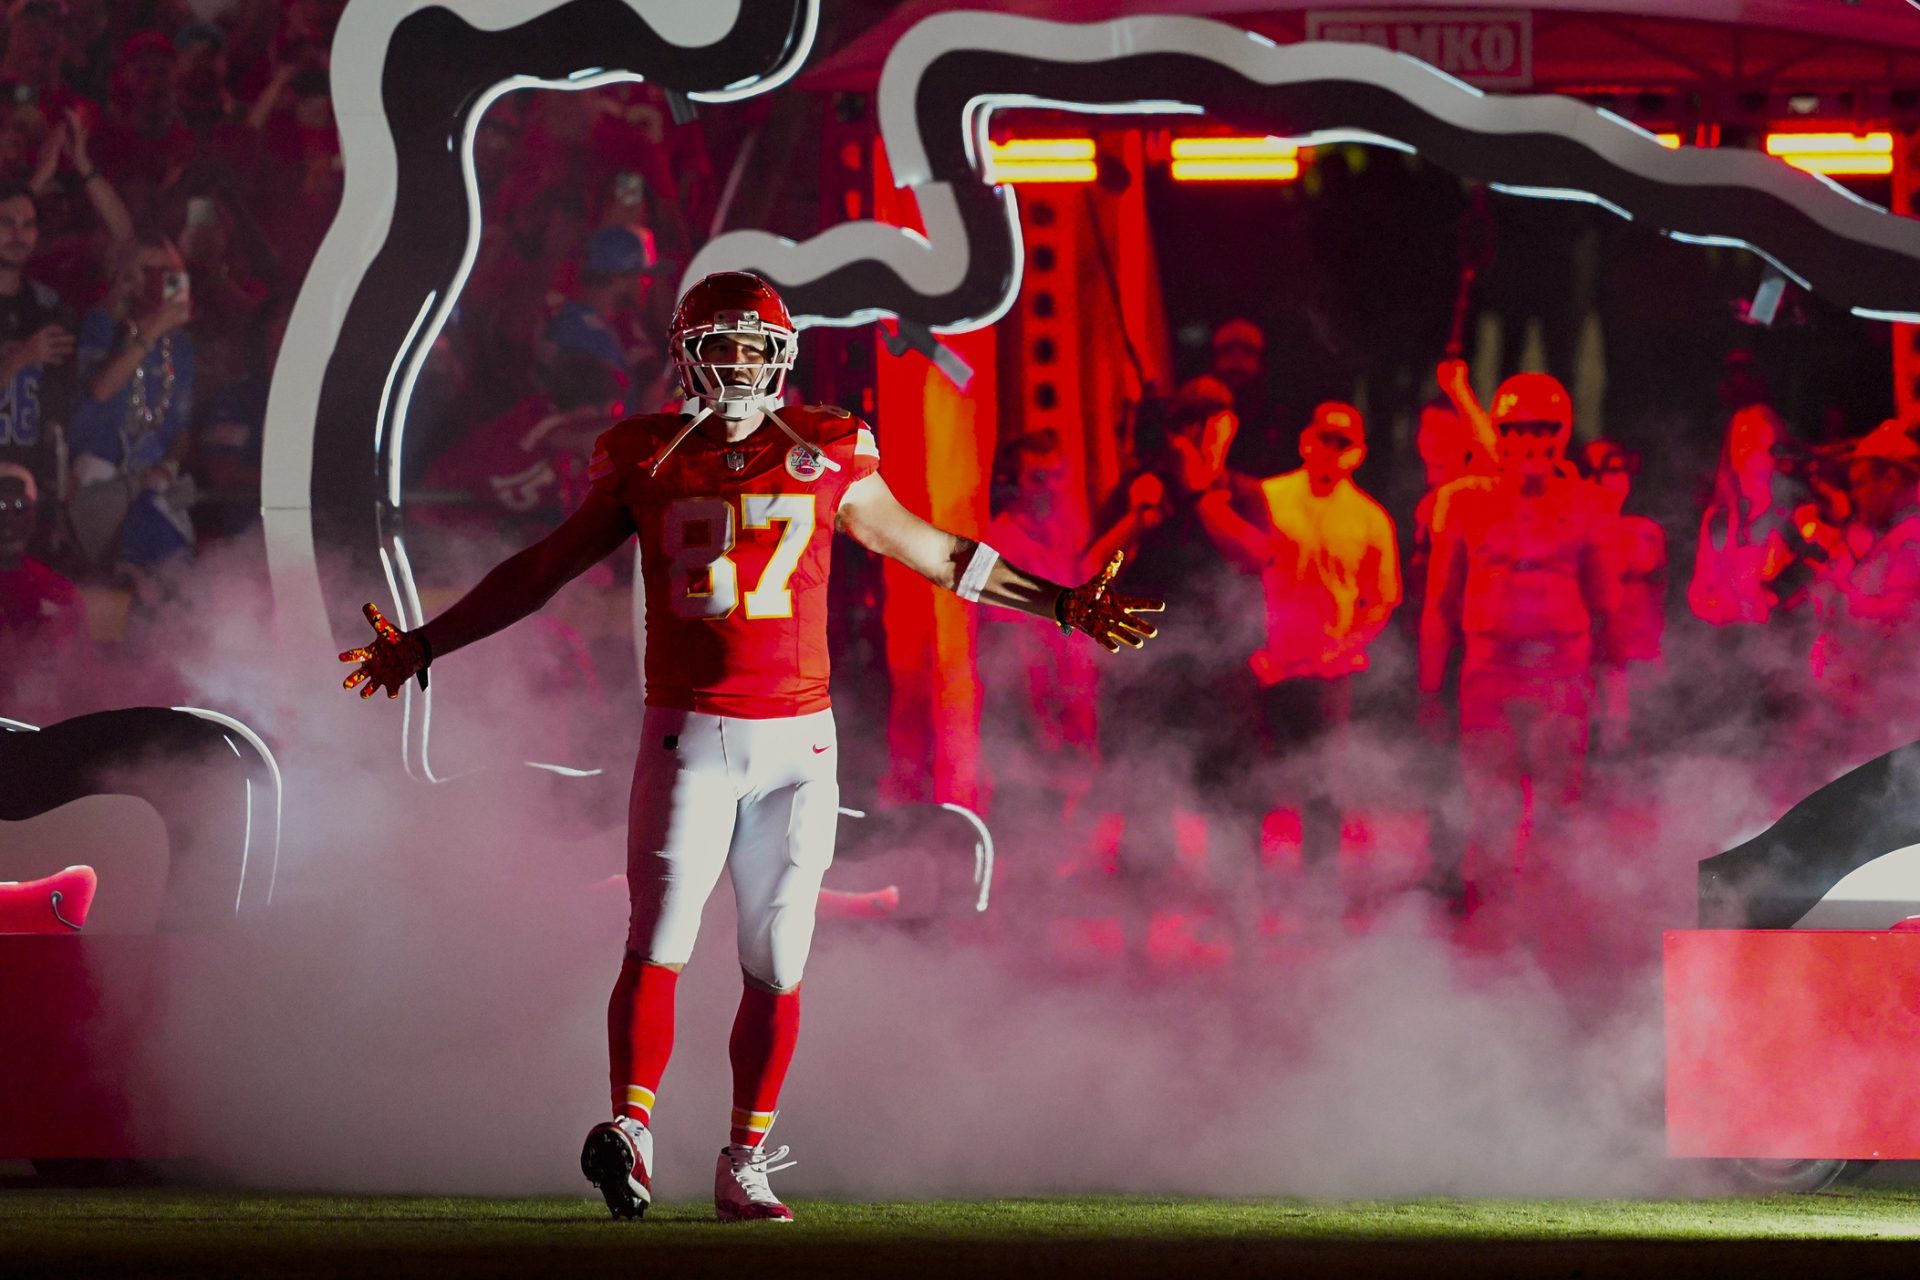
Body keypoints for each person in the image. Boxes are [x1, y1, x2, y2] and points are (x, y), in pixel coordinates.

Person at [338, 272, 1164, 1223]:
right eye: (716, 344)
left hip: (798, 744)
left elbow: (931, 550)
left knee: (777, 955)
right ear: (687, 353)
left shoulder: (828, 447)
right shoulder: (647, 455)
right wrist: (426, 641)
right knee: (658, 944)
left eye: (747, 343)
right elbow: (543, 569)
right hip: (688, 729)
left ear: (778, 352)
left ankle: (744, 1158)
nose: (733, 361)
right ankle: (633, 1135)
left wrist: (1059, 602)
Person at [1421, 368, 1621, 914]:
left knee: (1557, 808)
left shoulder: (1588, 505)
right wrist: (1428, 690)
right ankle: (1489, 931)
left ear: (1560, 433)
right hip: (1488, 673)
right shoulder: (1465, 503)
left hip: (1561, 673)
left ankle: (1546, 926)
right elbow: (1441, 604)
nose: (1528, 441)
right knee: (1488, 808)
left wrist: (1617, 691)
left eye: (1541, 429)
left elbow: (1607, 609)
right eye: (1516, 429)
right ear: (1502, 434)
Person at [1194, 401, 1400, 887]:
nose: (1332, 450)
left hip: (1330, 672)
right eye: (1325, 439)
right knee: (1256, 776)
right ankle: (1248, 882)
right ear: (1307, 442)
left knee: (1324, 781)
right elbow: (1233, 555)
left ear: (1359, 453)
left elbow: (1382, 599)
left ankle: (1319, 887)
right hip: (1267, 663)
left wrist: (1348, 642)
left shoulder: (1371, 519)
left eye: (1343, 443)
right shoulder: (1269, 497)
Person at [65, 231, 196, 579]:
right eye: (150, 271)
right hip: (100, 486)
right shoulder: (102, 325)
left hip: (152, 488)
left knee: (178, 583)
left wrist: (168, 468)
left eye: (170, 273)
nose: (163, 281)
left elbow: (182, 429)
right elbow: (102, 391)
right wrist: (151, 331)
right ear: (130, 279)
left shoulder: (180, 348)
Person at [1580, 440, 1666, 751]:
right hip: (1595, 649)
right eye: (1603, 472)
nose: (1613, 480)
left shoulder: (1646, 530)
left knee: (1639, 730)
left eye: (1620, 471)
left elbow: (1658, 594)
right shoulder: (1577, 531)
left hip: (1638, 644)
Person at [0, 185, 74, 508]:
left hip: (31, 484)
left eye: (28, 224)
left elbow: (56, 405)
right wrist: (21, 358)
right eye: (6, 223)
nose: (18, 235)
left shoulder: (47, 304)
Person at [0, 462, 86, 720]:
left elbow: (81, 677)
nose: (7, 520)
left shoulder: (57, 590)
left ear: (34, 514)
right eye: (0, 507)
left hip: (49, 733)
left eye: (18, 508)